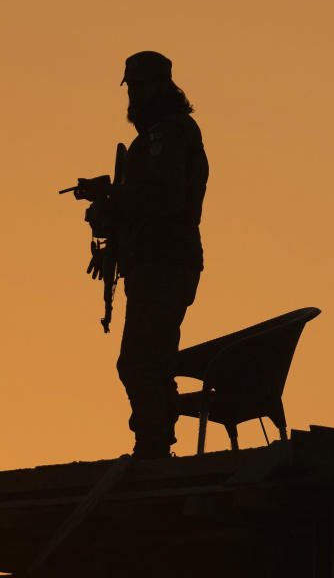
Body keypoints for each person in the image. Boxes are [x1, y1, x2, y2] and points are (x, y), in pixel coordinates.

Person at [92, 51, 208, 458]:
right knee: (147, 356)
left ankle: (154, 446)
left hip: (166, 263)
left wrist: (114, 196)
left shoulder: (169, 137)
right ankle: (154, 442)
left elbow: (166, 200)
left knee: (143, 359)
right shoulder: (155, 139)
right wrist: (107, 212)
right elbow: (141, 208)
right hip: (152, 264)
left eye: (142, 85)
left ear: (162, 86)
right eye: (132, 86)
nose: (135, 95)